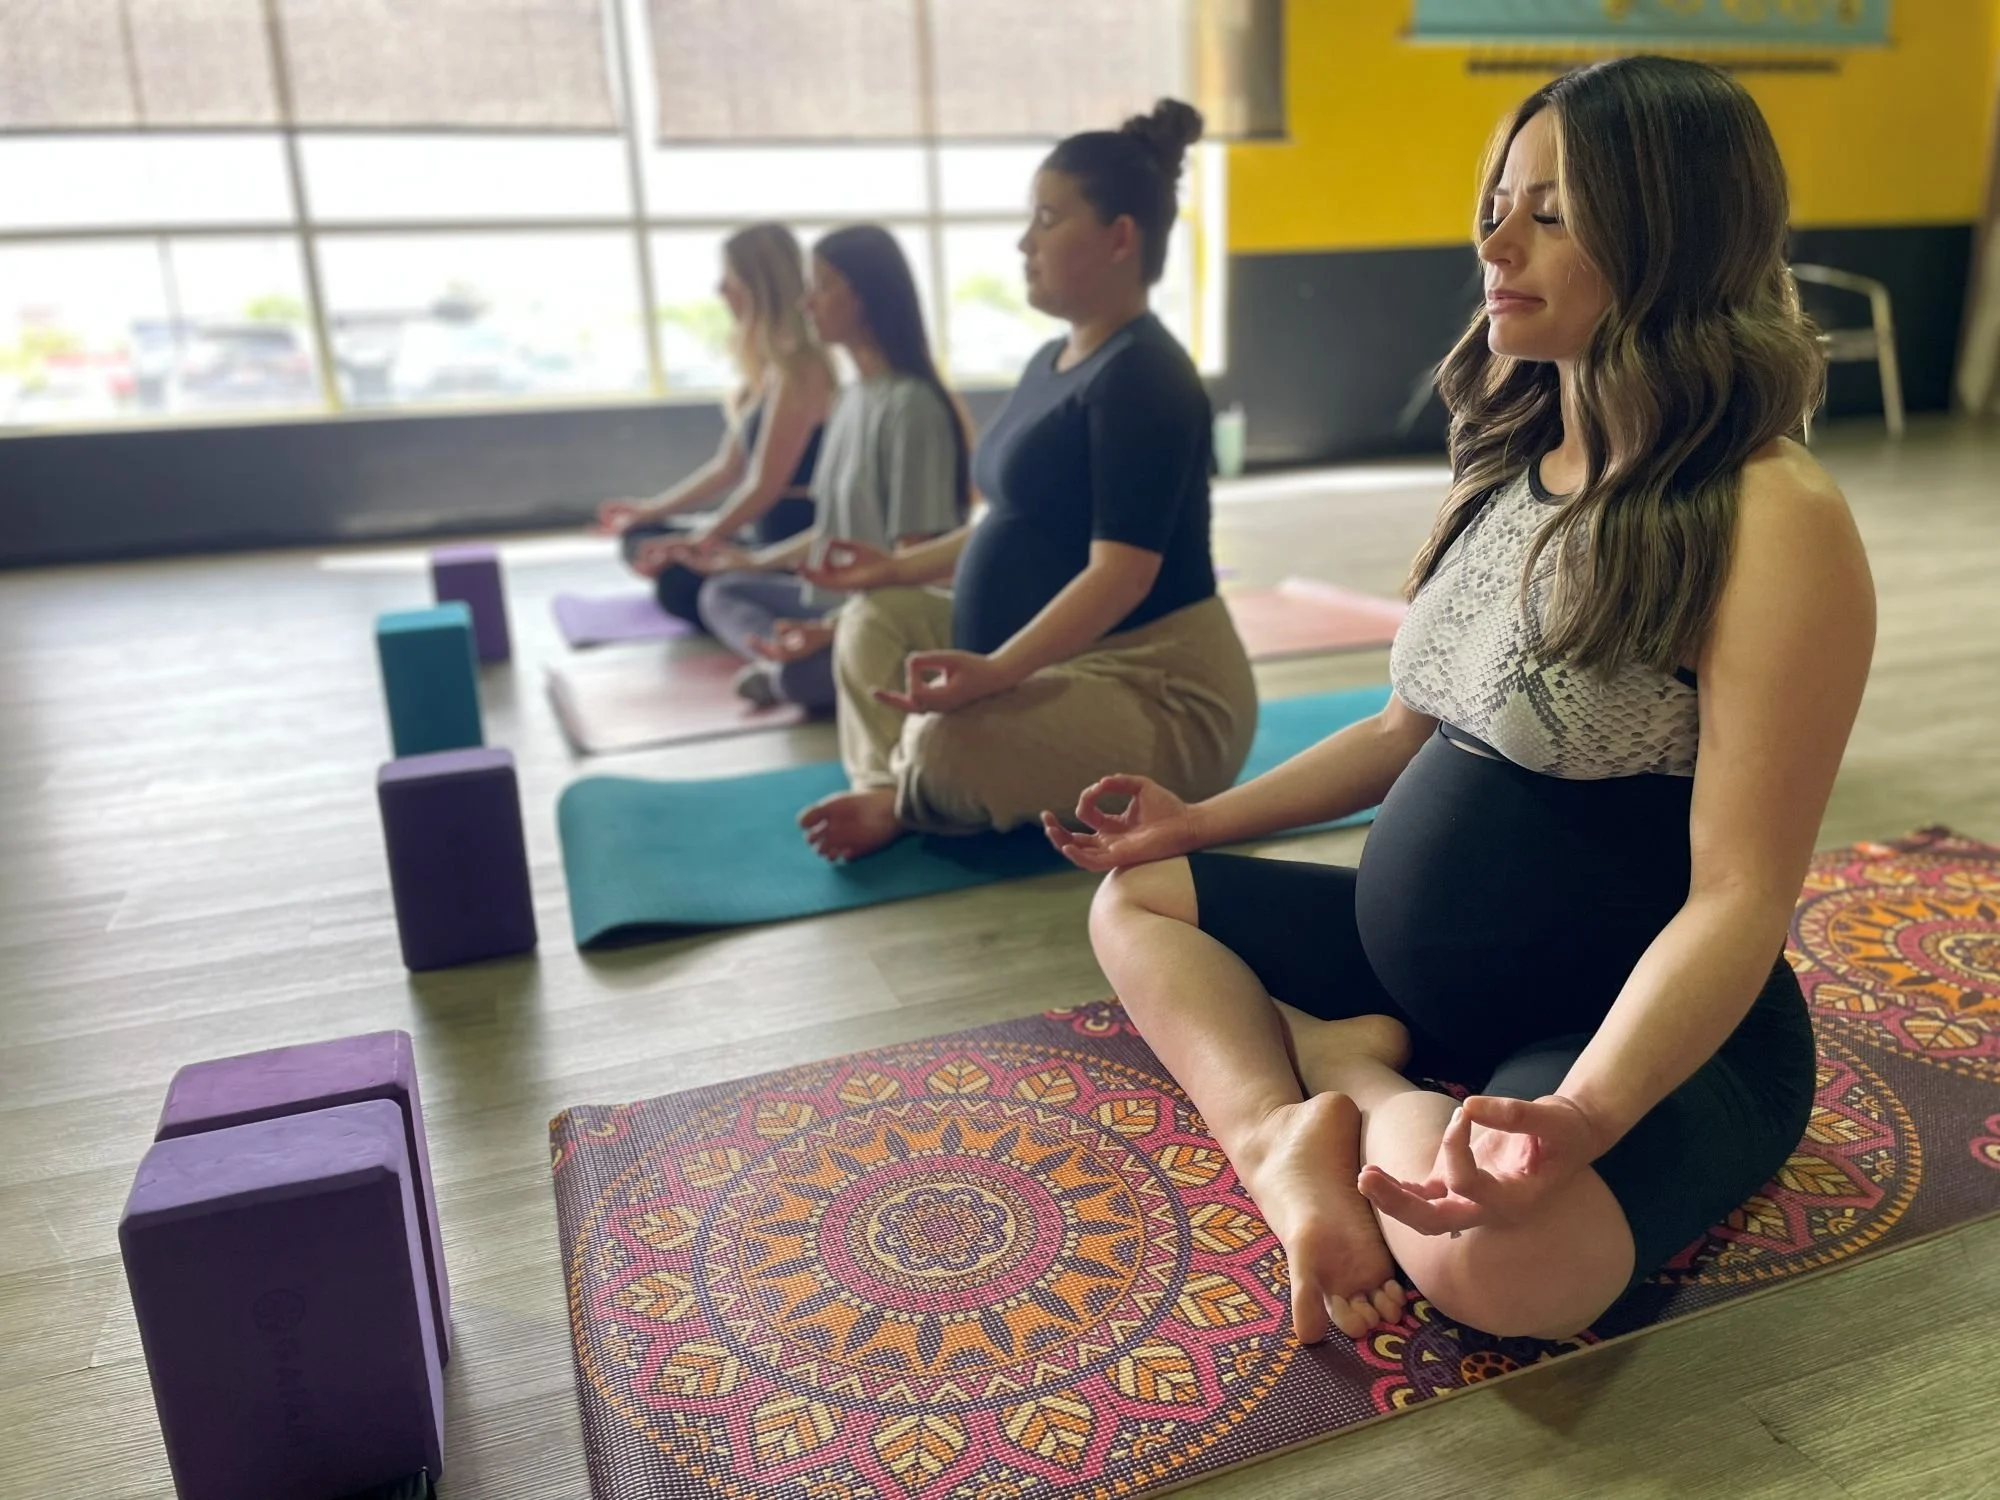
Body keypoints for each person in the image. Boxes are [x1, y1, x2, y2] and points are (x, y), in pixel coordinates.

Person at [1044, 57, 1872, 1348]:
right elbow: (1401, 730)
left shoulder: (1770, 514)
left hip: (1625, 1030)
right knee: (1137, 896)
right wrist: (1193, 822)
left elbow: (1739, 897)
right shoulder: (1507, 459)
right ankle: (1279, 1140)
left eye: (1550, 214)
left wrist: (1583, 1116)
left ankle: (1357, 1080)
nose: (1493, 244)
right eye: (1496, 207)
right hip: (1420, 971)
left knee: (1514, 1277)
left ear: (1673, 235)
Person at [796, 98, 1255, 861]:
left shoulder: (1146, 375)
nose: (1024, 242)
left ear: (1119, 238)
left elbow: (1121, 576)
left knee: (948, 745)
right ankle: (892, 791)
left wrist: (996, 672)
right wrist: (891, 570)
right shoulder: (1051, 362)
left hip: (1153, 687)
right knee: (873, 619)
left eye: (1046, 219)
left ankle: (910, 788)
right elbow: (1006, 522)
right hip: (1055, 665)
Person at [677, 225, 971, 711]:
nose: (806, 303)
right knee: (723, 590)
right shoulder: (851, 398)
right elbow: (830, 530)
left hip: (887, 618)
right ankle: (789, 660)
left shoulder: (912, 406)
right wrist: (755, 562)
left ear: (864, 297)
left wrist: (833, 629)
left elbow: (914, 566)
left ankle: (789, 667)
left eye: (822, 287)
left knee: (803, 677)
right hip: (837, 603)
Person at [597, 223, 834, 628]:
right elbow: (727, 467)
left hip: (789, 540)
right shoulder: (769, 368)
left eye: (730, 278)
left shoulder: (801, 368)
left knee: (676, 583)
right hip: (758, 534)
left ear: (759, 286)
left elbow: (764, 486)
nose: (719, 289)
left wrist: (698, 541)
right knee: (640, 536)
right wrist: (650, 510)